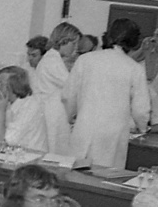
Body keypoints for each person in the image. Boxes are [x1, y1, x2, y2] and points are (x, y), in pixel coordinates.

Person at [64, 18, 151, 169]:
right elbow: (141, 109)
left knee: (76, 175)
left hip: (84, 127)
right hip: (112, 135)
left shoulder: (85, 59)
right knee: (104, 179)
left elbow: (68, 95)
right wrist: (142, 127)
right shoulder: (134, 68)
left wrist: (70, 116)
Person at [33, 22, 81, 155]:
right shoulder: (52, 61)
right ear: (63, 41)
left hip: (53, 112)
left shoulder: (54, 59)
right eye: (74, 43)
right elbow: (72, 86)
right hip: (51, 113)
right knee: (54, 152)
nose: (76, 48)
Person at [0, 65, 50, 152]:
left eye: (1, 84)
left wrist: (0, 111)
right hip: (16, 155)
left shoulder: (29, 108)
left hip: (30, 159)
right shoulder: (11, 103)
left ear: (13, 86)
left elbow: (0, 144)